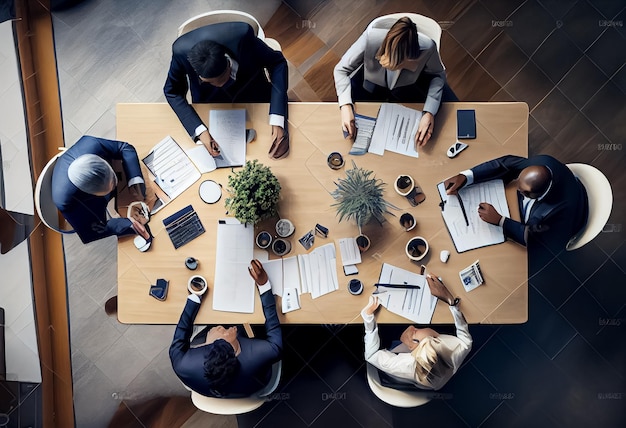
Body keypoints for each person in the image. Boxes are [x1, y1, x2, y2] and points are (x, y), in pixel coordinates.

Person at [164, 21, 290, 160]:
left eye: (225, 77)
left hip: (257, 98)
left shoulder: (243, 36)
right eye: (211, 82)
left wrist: (278, 119)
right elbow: (172, 92)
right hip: (212, 108)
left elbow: (277, 63)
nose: (220, 85)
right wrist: (200, 130)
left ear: (227, 61)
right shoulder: (180, 53)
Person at [334, 16, 454, 148]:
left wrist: (429, 112)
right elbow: (341, 70)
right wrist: (345, 106)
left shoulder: (428, 48)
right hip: (371, 86)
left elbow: (438, 75)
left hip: (407, 88)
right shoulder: (370, 38)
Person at [169, 260, 282, 397]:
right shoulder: (261, 353)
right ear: (237, 354)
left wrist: (195, 296)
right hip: (252, 385)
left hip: (212, 388)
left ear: (205, 347)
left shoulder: (182, 363)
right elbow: (275, 337)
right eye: (228, 333)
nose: (230, 328)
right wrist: (264, 285)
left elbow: (182, 330)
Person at [444, 154, 588, 252]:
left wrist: (500, 221)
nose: (517, 188)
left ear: (529, 195)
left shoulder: (551, 213)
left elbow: (532, 238)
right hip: (571, 186)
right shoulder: (543, 163)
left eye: (521, 190)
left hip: (568, 224)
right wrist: (467, 177)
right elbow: (506, 163)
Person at [361, 274, 472, 390]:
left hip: (412, 376)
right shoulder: (456, 351)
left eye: (415, 332)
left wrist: (368, 316)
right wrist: (450, 301)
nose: (414, 328)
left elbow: (371, 355)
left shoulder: (407, 365)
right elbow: (466, 342)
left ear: (415, 348)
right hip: (435, 378)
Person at [51, 135, 149, 244]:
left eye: (113, 180)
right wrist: (130, 224)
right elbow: (89, 233)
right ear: (90, 193)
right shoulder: (65, 201)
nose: (114, 185)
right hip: (86, 203)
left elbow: (124, 147)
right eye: (109, 188)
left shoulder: (91, 144)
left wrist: (135, 180)